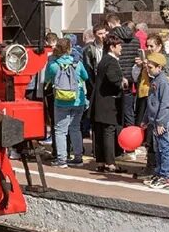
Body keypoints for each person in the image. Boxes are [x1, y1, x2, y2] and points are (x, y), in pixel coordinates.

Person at [44, 37, 89, 168]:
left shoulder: (53, 64)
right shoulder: (77, 63)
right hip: (78, 99)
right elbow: (85, 76)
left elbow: (47, 78)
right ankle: (78, 157)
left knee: (60, 130)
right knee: (75, 128)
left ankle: (62, 159)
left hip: (61, 100)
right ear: (70, 48)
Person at [91, 34, 126, 173]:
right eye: (119, 45)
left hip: (100, 101)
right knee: (108, 131)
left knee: (100, 131)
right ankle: (111, 163)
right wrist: (122, 82)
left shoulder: (103, 60)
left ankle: (100, 161)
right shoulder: (111, 61)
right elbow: (113, 79)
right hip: (108, 101)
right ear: (112, 47)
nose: (121, 48)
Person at [141, 53, 169, 189]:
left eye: (150, 67)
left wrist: (161, 122)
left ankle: (165, 176)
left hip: (161, 121)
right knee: (157, 148)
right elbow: (151, 103)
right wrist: (145, 119)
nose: (148, 70)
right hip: (154, 120)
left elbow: (165, 104)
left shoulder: (163, 82)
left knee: (164, 147)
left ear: (159, 67)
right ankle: (159, 172)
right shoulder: (154, 80)